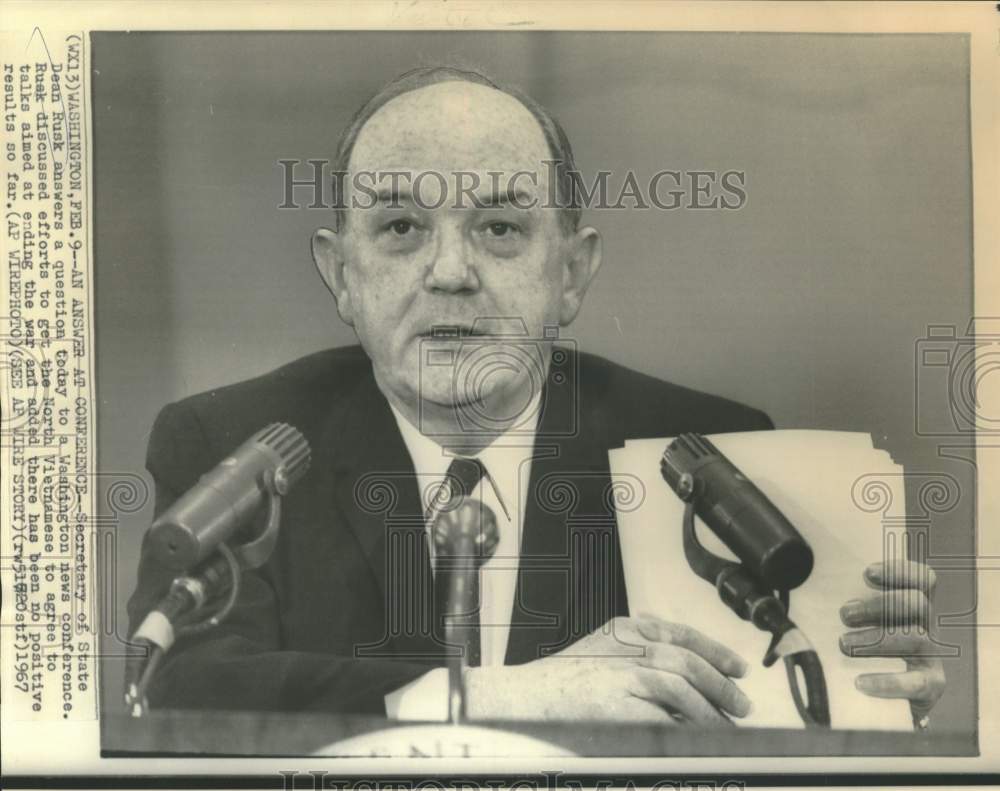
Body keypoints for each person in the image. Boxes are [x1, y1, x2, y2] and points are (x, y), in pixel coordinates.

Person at [127, 66, 944, 727]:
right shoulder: (235, 442)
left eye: (501, 228)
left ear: (572, 273)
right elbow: (180, 688)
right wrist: (502, 696)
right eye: (402, 228)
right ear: (343, 274)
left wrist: (859, 689)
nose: (450, 272)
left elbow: (766, 735)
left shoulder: (702, 449)